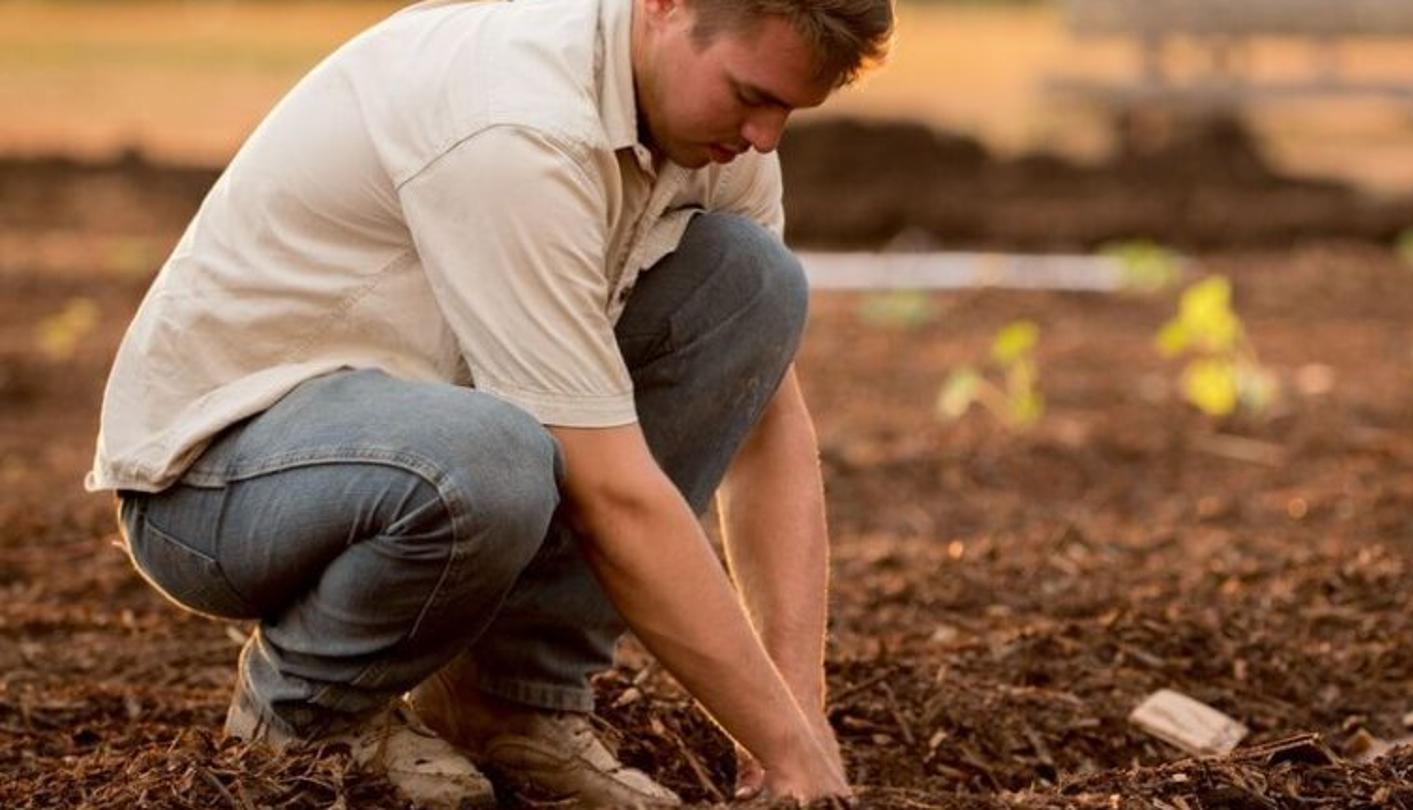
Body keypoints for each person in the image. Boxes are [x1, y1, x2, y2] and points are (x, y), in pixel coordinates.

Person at [84, 0, 892, 805]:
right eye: (751, 95)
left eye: (787, 109)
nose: (765, 136)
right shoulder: (516, 125)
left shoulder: (714, 137)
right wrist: (781, 741)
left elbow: (767, 420)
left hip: (425, 436)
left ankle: (509, 702)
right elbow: (610, 490)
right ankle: (307, 717)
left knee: (751, 284)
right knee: (496, 456)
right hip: (219, 483)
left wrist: (798, 728)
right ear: (665, 6)